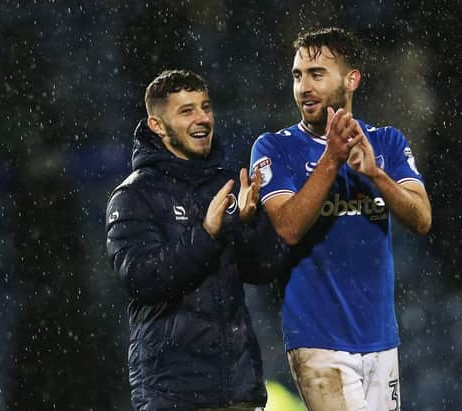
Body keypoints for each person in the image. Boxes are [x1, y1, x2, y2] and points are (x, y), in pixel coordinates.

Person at [250, 27, 432, 410]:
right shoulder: (275, 147)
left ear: (351, 80)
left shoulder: (386, 143)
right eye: (298, 76)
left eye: (317, 74)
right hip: (317, 338)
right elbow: (287, 226)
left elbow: (422, 219)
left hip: (381, 336)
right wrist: (332, 158)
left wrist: (376, 176)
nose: (304, 87)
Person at [106, 69, 287, 411]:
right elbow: (142, 280)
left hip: (239, 390)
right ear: (157, 126)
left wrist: (249, 224)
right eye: (186, 110)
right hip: (172, 394)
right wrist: (206, 235)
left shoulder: (230, 183)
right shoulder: (133, 197)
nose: (203, 118)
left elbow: (264, 268)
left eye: (205, 107)